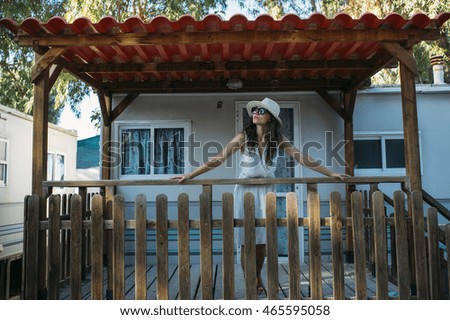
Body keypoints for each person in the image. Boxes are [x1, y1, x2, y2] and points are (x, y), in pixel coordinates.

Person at [173, 97, 347, 296]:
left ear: (270, 118)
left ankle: (255, 276)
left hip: (266, 192)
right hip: (245, 192)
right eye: (254, 110)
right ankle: (254, 279)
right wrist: (190, 174)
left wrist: (330, 173)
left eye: (261, 111)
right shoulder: (243, 137)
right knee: (248, 239)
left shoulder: (278, 140)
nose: (255, 112)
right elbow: (218, 159)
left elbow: (302, 157)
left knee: (262, 241)